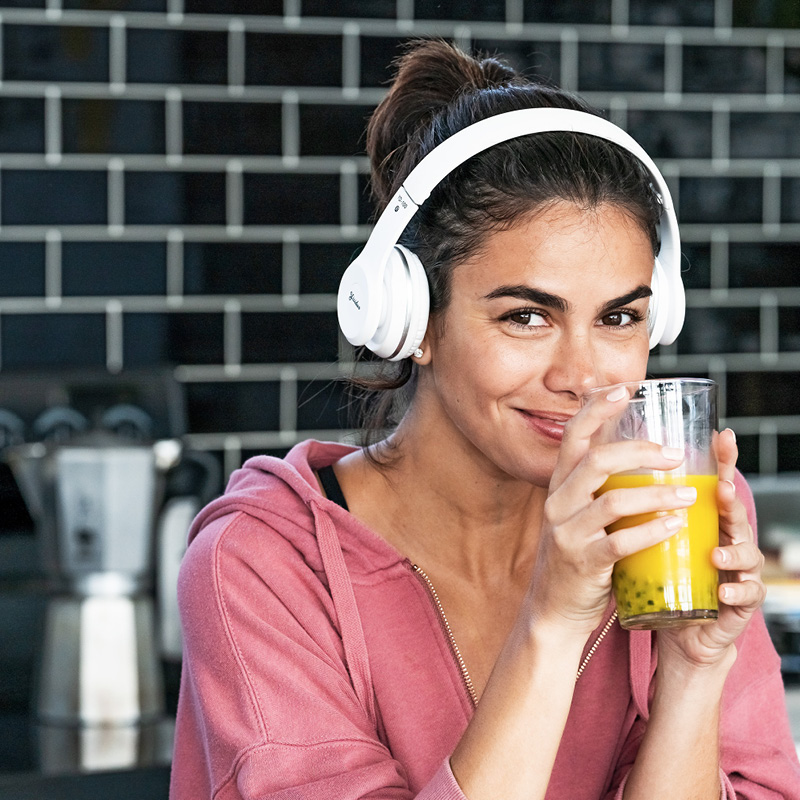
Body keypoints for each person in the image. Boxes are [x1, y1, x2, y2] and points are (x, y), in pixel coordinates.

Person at [170, 39, 800, 800]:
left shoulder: (661, 530)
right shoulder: (264, 564)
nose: (583, 378)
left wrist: (694, 675)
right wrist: (554, 619)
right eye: (527, 316)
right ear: (412, 321)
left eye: (619, 317)